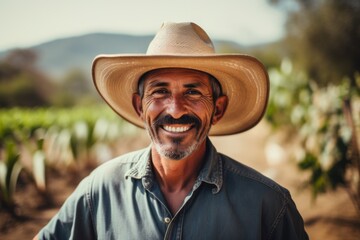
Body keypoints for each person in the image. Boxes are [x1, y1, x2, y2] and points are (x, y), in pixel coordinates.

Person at [34, 22, 308, 239]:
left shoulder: (268, 205)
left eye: (193, 91)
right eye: (160, 91)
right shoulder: (100, 192)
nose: (175, 109)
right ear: (139, 106)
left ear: (218, 109)